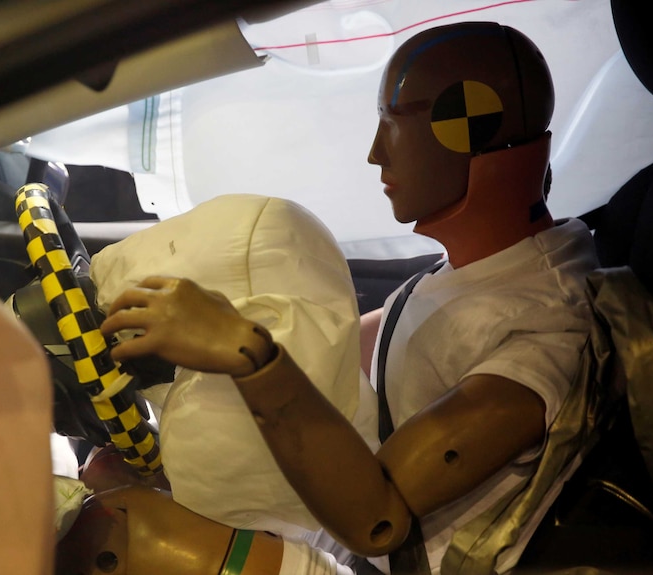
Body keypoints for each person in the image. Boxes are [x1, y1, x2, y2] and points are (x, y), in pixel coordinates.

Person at [71, 21, 599, 575]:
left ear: (466, 130)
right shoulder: (473, 279)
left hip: (377, 554)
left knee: (134, 543)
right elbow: (335, 351)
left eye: (394, 126)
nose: (376, 154)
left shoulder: (546, 327)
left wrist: (244, 349)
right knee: (105, 501)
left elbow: (378, 519)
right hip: (337, 528)